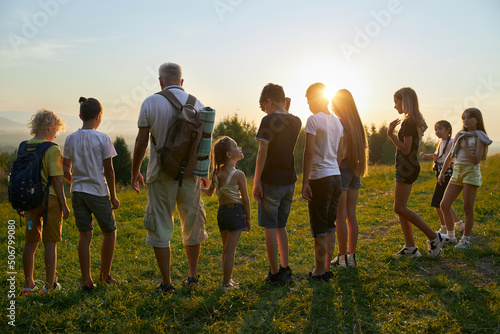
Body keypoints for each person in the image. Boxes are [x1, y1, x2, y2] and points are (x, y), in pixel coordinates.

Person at [131, 62, 208, 294]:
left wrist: (135, 171)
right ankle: (192, 276)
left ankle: (166, 283)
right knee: (192, 225)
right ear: (182, 82)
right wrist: (204, 173)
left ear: (161, 81)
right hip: (190, 174)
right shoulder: (198, 104)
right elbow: (204, 143)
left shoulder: (150, 102)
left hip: (160, 173)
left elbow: (142, 141)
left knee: (161, 226)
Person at [63, 97, 120, 291]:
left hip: (77, 192)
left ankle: (86, 280)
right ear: (99, 116)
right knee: (109, 232)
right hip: (97, 191)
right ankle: (104, 276)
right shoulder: (102, 138)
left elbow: (65, 168)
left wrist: (75, 182)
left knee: (84, 235)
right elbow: (109, 171)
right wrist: (113, 196)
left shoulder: (70, 139)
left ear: (80, 116)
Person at [387, 87, 448, 259]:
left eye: (396, 102)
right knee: (401, 208)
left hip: (406, 167)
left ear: (404, 101)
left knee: (399, 207)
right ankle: (410, 247)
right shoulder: (414, 120)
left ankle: (434, 237)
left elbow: (406, 149)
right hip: (409, 167)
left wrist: (390, 135)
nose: (394, 106)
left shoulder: (408, 123)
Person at [253, 83, 301, 286]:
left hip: (271, 180)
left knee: (270, 227)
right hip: (289, 180)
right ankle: (285, 267)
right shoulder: (297, 121)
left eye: (264, 106)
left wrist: (256, 181)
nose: (265, 110)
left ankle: (274, 274)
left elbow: (262, 152)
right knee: (282, 225)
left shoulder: (268, 120)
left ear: (269, 101)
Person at [21, 110, 70, 295]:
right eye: (56, 130)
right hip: (50, 199)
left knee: (30, 243)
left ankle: (28, 285)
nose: (56, 134)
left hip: (30, 199)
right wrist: (64, 205)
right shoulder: (52, 149)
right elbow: (57, 180)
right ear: (49, 127)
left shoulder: (24, 147)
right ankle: (49, 286)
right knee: (50, 243)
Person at [302, 83, 343, 281]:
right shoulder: (338, 122)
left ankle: (318, 271)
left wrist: (304, 182)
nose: (308, 103)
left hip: (319, 178)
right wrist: (333, 166)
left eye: (308, 99)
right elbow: (341, 153)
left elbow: (308, 152)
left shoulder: (312, 120)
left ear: (315, 98)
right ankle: (326, 268)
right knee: (329, 224)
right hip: (336, 177)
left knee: (319, 227)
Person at [201, 136, 251, 290]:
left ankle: (227, 280)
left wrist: (197, 186)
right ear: (229, 154)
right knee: (230, 250)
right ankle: (225, 284)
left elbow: (209, 193)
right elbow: (246, 200)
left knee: (226, 249)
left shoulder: (216, 173)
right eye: (236, 146)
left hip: (222, 213)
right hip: (235, 212)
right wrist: (248, 218)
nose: (240, 148)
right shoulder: (239, 175)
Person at [439, 108, 492, 248]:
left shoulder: (480, 137)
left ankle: (465, 240)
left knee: (467, 207)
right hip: (457, 171)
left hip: (471, 172)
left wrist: (464, 147)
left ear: (477, 120)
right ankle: (451, 237)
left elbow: (476, 160)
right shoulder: (460, 135)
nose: (465, 120)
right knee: (444, 204)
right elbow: (451, 155)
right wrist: (442, 172)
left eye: (469, 118)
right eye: (463, 118)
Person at [330, 89, 368, 268]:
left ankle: (342, 257)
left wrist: (333, 166)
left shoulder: (341, 123)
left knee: (340, 216)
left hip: (343, 170)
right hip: (355, 170)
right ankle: (351, 257)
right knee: (351, 215)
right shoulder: (357, 124)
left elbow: (342, 153)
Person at [419, 120, 463, 240]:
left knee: (438, 201)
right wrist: (425, 156)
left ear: (448, 130)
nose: (437, 132)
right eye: (436, 130)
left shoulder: (452, 142)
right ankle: (458, 223)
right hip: (441, 172)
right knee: (443, 202)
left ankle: (446, 226)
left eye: (440, 129)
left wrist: (444, 172)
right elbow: (436, 156)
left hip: (447, 173)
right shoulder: (441, 143)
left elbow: (451, 156)